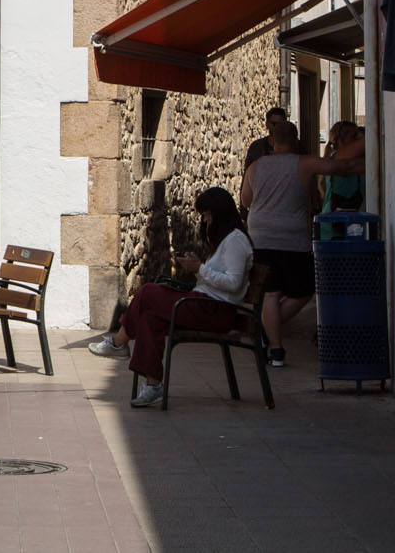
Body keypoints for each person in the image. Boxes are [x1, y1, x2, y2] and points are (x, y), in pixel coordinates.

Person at [87, 187, 253, 408]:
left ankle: (118, 343)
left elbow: (233, 283)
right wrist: (195, 268)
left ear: (219, 213)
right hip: (205, 304)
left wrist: (200, 269)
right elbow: (216, 280)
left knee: (147, 292)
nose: (205, 221)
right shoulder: (226, 241)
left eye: (207, 215)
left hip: (216, 311)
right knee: (150, 318)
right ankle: (153, 384)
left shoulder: (235, 242)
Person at [241, 120, 364, 366]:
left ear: (272, 141)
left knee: (270, 293)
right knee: (304, 291)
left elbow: (245, 201)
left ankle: (275, 348)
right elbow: (342, 167)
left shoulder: (255, 166)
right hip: (292, 238)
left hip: (260, 236)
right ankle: (266, 332)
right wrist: (369, 160)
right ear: (296, 140)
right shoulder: (304, 163)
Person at [316, 120, 367, 240]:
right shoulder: (339, 160)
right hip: (335, 230)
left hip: (341, 228)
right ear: (342, 140)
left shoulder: (332, 160)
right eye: (354, 137)